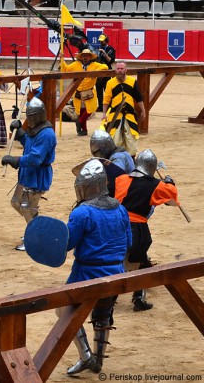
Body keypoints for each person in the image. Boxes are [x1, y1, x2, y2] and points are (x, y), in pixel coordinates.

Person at [62, 158, 131, 375]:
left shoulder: (82, 213)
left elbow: (68, 243)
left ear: (86, 188)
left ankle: (87, 356)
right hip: (116, 273)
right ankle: (98, 359)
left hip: (86, 274)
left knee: (64, 311)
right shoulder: (120, 209)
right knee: (102, 313)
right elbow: (128, 243)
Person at [114, 149, 179, 312]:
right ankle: (134, 298)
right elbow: (171, 196)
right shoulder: (156, 185)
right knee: (138, 261)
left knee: (117, 260)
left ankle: (113, 298)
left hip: (116, 225)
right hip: (137, 228)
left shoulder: (121, 179)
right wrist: (170, 182)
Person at [1, 97, 57, 250]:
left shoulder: (47, 134)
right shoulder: (36, 130)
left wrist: (15, 160)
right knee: (16, 202)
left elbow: (35, 158)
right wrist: (20, 133)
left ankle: (35, 237)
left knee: (26, 207)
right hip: (27, 173)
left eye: (31, 117)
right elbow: (29, 144)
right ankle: (35, 225)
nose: (29, 120)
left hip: (37, 174)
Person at [60, 48, 109, 136]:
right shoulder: (76, 64)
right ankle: (84, 130)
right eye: (84, 56)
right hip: (78, 92)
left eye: (87, 56)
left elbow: (105, 67)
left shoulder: (94, 65)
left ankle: (79, 122)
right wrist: (62, 59)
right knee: (81, 112)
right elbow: (65, 69)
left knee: (89, 110)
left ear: (90, 57)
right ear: (81, 57)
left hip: (89, 92)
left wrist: (94, 73)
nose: (85, 57)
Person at [101, 62, 146, 156]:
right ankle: (116, 161)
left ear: (126, 70)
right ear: (115, 70)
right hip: (115, 116)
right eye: (118, 68)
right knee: (115, 140)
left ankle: (131, 161)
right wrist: (104, 113)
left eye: (122, 68)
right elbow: (106, 100)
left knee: (131, 141)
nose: (120, 70)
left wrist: (143, 110)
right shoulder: (110, 83)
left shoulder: (132, 82)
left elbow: (138, 98)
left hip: (130, 116)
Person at [89, 130, 134, 196]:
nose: (97, 154)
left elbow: (115, 178)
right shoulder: (115, 154)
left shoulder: (118, 157)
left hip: (127, 193)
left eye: (97, 152)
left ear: (104, 147)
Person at [95, 33, 116, 111]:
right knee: (98, 89)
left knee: (107, 90)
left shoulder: (111, 49)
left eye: (102, 41)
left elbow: (110, 61)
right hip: (99, 71)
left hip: (107, 72)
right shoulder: (98, 48)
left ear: (106, 41)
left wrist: (104, 52)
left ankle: (108, 106)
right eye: (100, 41)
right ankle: (100, 106)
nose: (101, 42)